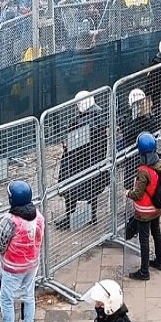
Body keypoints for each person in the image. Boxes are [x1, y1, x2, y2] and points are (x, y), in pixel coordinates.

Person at [0, 180, 43, 322]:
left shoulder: (10, 220)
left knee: (6, 299)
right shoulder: (38, 216)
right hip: (32, 264)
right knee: (28, 296)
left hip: (13, 267)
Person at [57, 91, 111, 231]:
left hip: (79, 162)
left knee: (71, 189)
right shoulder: (99, 115)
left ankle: (71, 218)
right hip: (94, 162)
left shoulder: (84, 120)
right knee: (91, 190)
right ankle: (91, 216)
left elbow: (78, 142)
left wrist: (68, 144)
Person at [126, 133, 161, 279]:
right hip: (157, 208)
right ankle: (159, 261)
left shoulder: (143, 171)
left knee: (144, 240)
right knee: (156, 233)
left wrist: (127, 193)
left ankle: (144, 272)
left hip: (144, 212)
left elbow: (137, 194)